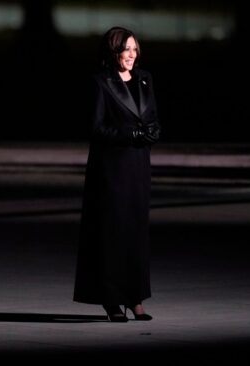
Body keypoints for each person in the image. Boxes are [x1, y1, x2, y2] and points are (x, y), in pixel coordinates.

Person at [73, 26, 161, 322]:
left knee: (136, 233)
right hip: (111, 170)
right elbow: (95, 128)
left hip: (138, 167)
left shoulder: (145, 79)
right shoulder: (100, 83)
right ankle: (111, 299)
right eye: (127, 50)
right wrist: (129, 132)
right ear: (114, 51)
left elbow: (151, 116)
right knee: (112, 233)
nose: (132, 55)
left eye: (136, 49)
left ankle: (135, 298)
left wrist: (152, 131)